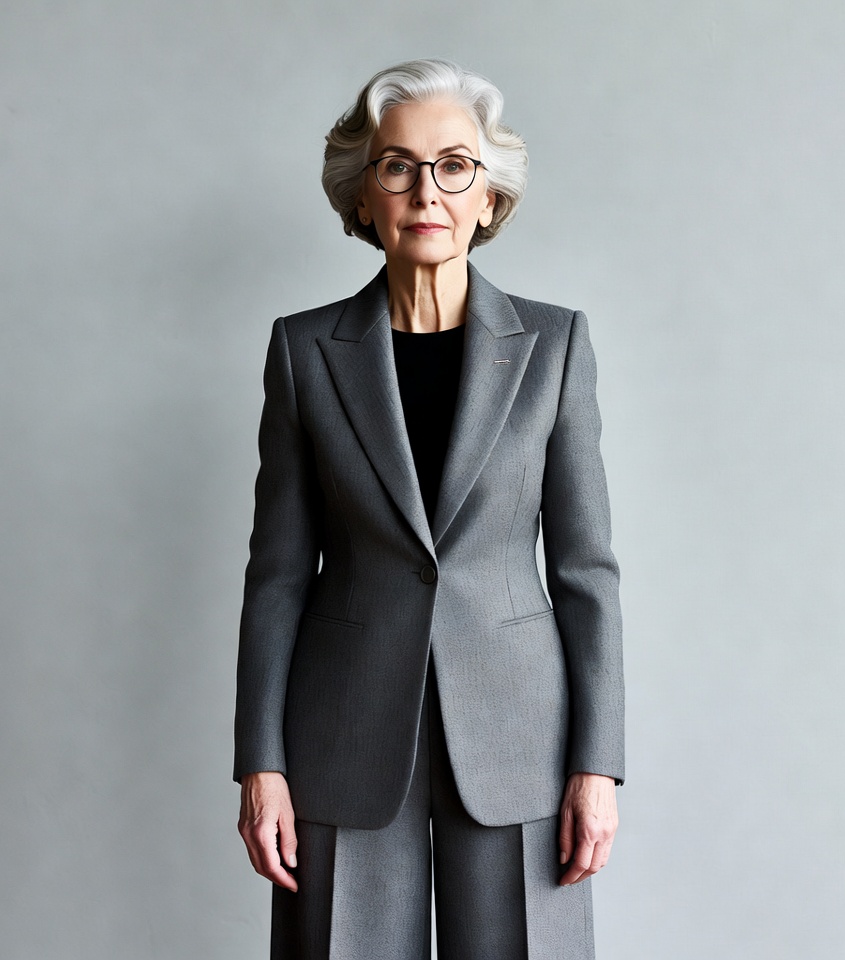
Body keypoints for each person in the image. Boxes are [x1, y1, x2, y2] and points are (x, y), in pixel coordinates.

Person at [234, 58, 624, 959]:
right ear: (364, 196)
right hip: (342, 732)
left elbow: (585, 571)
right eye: (397, 165)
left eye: (455, 165)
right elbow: (277, 578)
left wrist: (597, 763)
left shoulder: (555, 348)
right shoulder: (304, 353)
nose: (427, 190)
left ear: (488, 198)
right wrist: (261, 762)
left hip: (520, 734)